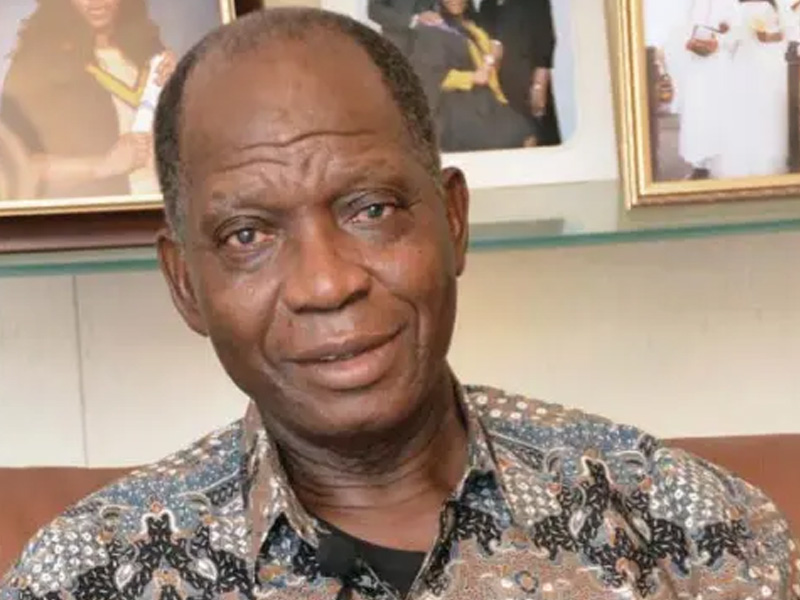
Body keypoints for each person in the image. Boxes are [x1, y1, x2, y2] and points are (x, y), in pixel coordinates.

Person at [2, 8, 798, 600]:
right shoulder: (80, 577)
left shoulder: (692, 530)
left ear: (452, 220)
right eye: (248, 234)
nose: (326, 283)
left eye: (371, 209)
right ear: (186, 284)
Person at [0, 0, 175, 200]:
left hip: (162, 207)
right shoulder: (35, 65)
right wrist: (103, 165)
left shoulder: (148, 55)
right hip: (98, 212)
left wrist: (179, 86)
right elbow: (20, 164)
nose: (95, 2)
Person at [410, 0, 536, 151]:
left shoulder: (471, 27)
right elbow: (428, 75)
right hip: (456, 106)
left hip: (485, 99)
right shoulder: (431, 29)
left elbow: (488, 62)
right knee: (514, 137)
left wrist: (494, 54)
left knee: (526, 134)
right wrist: (472, 77)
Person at [716, 0, 797, 178]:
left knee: (767, 109)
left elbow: (786, 33)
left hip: (769, 62)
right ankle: (743, 160)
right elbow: (729, 38)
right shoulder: (739, 7)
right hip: (744, 62)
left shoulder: (773, 5)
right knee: (744, 110)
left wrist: (768, 37)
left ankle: (768, 161)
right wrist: (726, 31)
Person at [662, 0, 740, 179]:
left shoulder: (729, 4)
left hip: (719, 68)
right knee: (697, 113)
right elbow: (681, 31)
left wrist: (719, 42)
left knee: (718, 113)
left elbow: (736, 34)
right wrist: (688, 43)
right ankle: (699, 165)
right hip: (695, 68)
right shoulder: (693, 4)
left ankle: (719, 164)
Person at [478, 0, 561, 146]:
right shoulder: (487, 3)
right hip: (499, 83)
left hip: (528, 79)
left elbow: (545, 36)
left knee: (536, 138)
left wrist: (539, 84)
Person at [367, 0, 438, 56]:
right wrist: (412, 20)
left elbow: (439, 8)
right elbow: (374, 11)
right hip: (395, 44)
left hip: (428, 46)